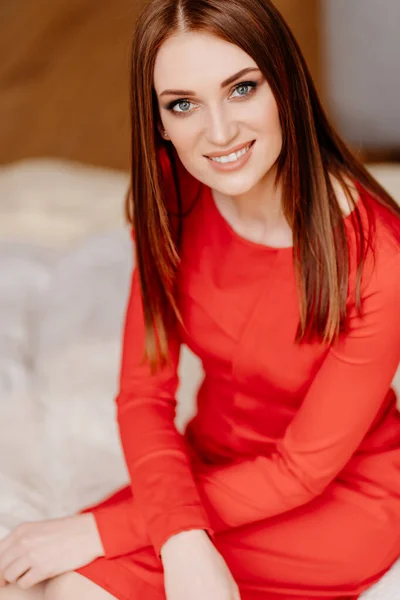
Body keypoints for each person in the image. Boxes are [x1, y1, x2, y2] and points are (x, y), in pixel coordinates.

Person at [1, 0, 400, 598]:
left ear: (285, 84)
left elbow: (302, 469)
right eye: (182, 104)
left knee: (73, 581)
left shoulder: (381, 258)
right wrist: (179, 532)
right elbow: (143, 396)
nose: (218, 133)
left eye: (241, 89)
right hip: (204, 471)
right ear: (159, 120)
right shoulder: (173, 201)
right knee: (32, 579)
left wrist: (119, 529)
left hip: (341, 497)